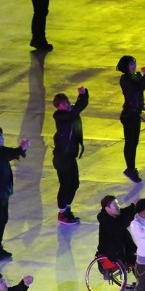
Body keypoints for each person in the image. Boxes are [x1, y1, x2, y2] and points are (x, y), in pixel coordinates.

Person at [0, 126, 30, 260]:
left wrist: (21, 149)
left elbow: (11, 152)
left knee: (3, 219)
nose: (4, 139)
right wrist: (21, 149)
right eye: (1, 137)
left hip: (2, 192)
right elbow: (8, 154)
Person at [52, 87, 89, 225]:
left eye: (67, 102)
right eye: (63, 104)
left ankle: (66, 209)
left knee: (74, 183)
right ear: (57, 107)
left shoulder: (71, 111)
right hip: (61, 158)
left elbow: (79, 108)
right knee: (65, 184)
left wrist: (84, 95)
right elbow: (74, 112)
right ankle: (62, 213)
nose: (66, 105)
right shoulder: (60, 116)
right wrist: (81, 97)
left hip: (70, 157)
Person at [116, 55, 145, 183]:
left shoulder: (134, 76)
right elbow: (140, 85)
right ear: (125, 67)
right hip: (129, 115)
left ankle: (131, 168)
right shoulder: (125, 79)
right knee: (130, 143)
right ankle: (130, 168)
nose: (134, 66)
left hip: (135, 114)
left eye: (134, 63)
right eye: (131, 64)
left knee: (133, 143)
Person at [97, 195, 137, 266]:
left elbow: (125, 211)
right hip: (113, 253)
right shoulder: (106, 221)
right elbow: (122, 224)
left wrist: (134, 206)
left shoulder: (114, 215)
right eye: (114, 205)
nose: (118, 206)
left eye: (117, 203)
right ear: (107, 208)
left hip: (121, 249)